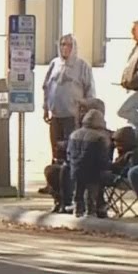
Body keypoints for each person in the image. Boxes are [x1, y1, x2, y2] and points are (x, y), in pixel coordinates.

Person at [40, 33, 96, 179]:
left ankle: (69, 180)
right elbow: (46, 87)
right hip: (56, 115)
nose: (65, 48)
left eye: (69, 45)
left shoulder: (82, 66)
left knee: (70, 149)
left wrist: (87, 112)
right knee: (55, 149)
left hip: (73, 116)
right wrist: (46, 108)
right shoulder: (54, 64)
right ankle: (54, 181)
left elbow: (90, 90)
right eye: (63, 44)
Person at [66, 109, 112, 218]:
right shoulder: (99, 137)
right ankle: (91, 210)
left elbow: (68, 153)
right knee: (92, 192)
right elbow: (101, 158)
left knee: (78, 190)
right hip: (92, 171)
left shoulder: (74, 134)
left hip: (75, 169)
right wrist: (108, 168)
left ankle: (77, 209)